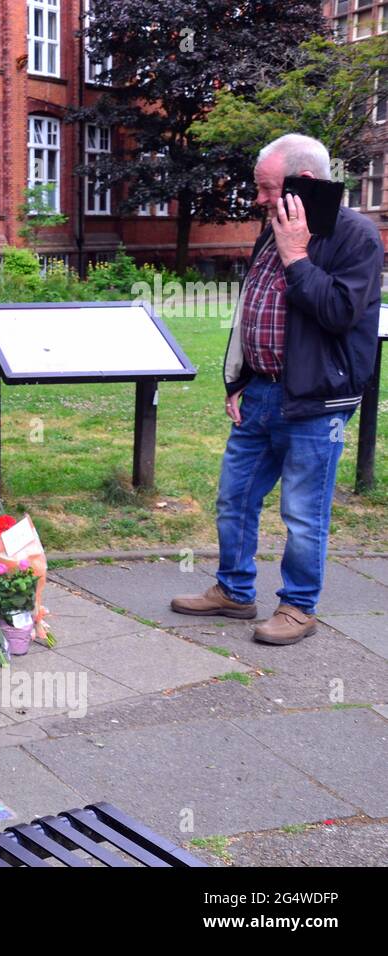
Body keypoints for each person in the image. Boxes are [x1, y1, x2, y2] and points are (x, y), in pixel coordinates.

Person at [172, 134, 385, 644]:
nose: (261, 199)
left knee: (303, 512)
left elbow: (338, 312)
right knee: (235, 497)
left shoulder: (356, 235)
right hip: (262, 393)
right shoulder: (276, 227)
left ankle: (297, 607)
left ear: (302, 182)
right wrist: (238, 376)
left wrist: (296, 256)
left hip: (316, 402)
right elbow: (257, 304)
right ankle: (235, 590)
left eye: (267, 188)